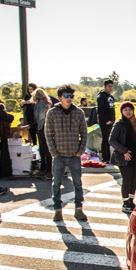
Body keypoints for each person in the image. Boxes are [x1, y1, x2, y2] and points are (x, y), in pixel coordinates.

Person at [45, 85, 88, 222]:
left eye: (71, 96)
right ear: (59, 97)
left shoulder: (79, 112)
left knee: (78, 183)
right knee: (56, 183)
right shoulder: (52, 113)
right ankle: (57, 210)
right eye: (66, 96)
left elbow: (84, 133)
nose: (69, 99)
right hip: (59, 155)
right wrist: (54, 153)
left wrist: (80, 151)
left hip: (74, 155)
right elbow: (48, 134)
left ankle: (78, 209)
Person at [109, 101, 136, 213]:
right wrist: (124, 151)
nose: (128, 112)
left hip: (135, 156)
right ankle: (125, 203)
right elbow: (112, 140)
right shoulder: (119, 123)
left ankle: (131, 201)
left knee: (135, 180)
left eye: (130, 109)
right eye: (125, 110)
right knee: (127, 180)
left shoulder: (134, 123)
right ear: (122, 111)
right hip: (124, 156)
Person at [32, 88, 53, 179]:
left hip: (43, 128)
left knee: (44, 150)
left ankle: (46, 171)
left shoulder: (41, 103)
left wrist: (39, 127)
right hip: (49, 128)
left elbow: (41, 117)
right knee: (46, 150)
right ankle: (46, 170)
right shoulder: (48, 103)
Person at [0, 97, 15, 179]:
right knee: (5, 153)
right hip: (2, 134)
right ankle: (7, 173)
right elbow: (7, 118)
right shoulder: (0, 106)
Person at [97, 80, 116, 164]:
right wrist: (106, 120)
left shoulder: (111, 97)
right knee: (105, 139)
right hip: (105, 122)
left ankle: (109, 156)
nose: (110, 88)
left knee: (110, 139)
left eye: (112, 86)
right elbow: (100, 110)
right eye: (109, 86)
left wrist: (113, 119)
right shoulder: (101, 97)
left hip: (111, 121)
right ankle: (105, 157)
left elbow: (112, 109)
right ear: (104, 86)